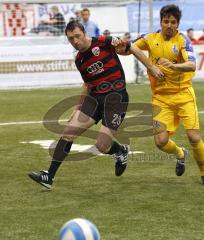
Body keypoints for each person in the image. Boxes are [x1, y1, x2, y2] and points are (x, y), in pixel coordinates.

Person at [28, 20, 162, 189]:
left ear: (84, 33)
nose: (75, 41)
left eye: (77, 36)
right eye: (71, 39)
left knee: (101, 145)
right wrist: (77, 107)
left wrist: (151, 67)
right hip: (94, 99)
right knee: (68, 133)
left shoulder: (104, 41)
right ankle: (49, 177)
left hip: (116, 98)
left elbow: (132, 47)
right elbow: (87, 84)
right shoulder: (79, 59)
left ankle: (120, 151)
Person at [131, 4, 204, 186]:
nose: (169, 25)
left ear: (178, 24)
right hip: (161, 97)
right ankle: (180, 153)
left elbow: (192, 65)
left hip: (183, 94)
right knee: (160, 142)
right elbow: (129, 48)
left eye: (173, 22)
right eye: (166, 21)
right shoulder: (149, 38)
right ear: (161, 22)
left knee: (194, 137)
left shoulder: (182, 41)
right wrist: (119, 46)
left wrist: (172, 66)